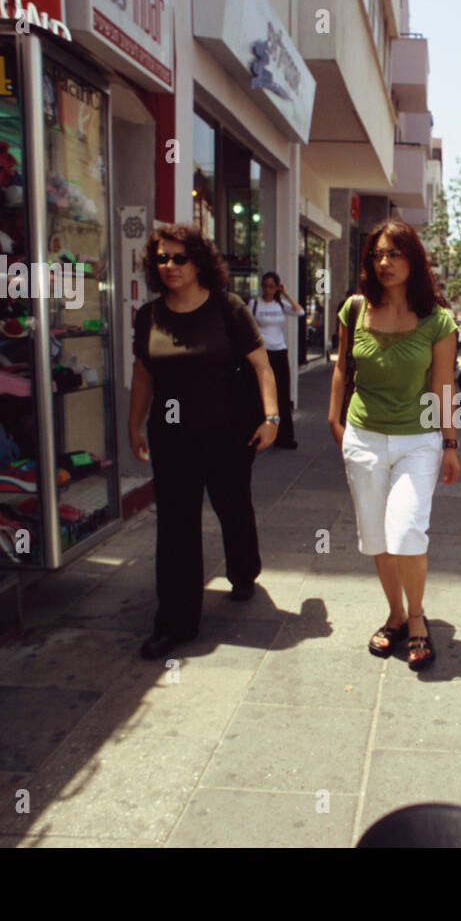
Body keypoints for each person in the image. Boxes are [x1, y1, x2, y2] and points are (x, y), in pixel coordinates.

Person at [129, 224, 279, 661]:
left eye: (179, 258)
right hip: (172, 436)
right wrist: (133, 425)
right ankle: (175, 621)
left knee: (232, 508)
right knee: (175, 526)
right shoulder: (148, 316)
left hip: (228, 432)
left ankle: (243, 571)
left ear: (198, 262)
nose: (170, 266)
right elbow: (143, 375)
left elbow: (262, 366)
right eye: (162, 258)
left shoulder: (228, 309)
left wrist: (271, 417)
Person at [329, 220, 459, 671]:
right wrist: (334, 417)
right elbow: (343, 367)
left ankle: (418, 617)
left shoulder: (438, 320)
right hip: (363, 437)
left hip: (417, 442)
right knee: (376, 536)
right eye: (378, 255)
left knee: (406, 531)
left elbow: (444, 384)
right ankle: (395, 614)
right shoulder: (354, 309)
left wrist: (450, 443)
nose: (385, 263)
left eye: (395, 254)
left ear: (413, 260)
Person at [247, 271, 303, 448]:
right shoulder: (254, 304)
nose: (268, 289)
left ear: (277, 287)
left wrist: (285, 293)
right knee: (259, 394)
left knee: (282, 394)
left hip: (279, 352)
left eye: (272, 286)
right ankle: (257, 435)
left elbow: (300, 311)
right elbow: (246, 326)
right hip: (262, 353)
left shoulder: (281, 303)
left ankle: (284, 437)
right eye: (265, 285)